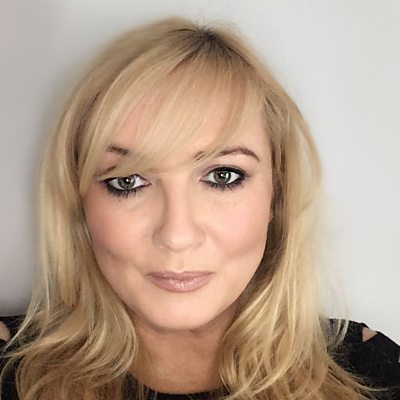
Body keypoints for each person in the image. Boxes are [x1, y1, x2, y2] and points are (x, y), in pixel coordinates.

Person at [0, 16, 399, 400]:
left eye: (223, 176)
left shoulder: (371, 373)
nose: (177, 235)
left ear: (275, 195)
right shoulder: (9, 370)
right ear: (80, 203)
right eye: (128, 181)